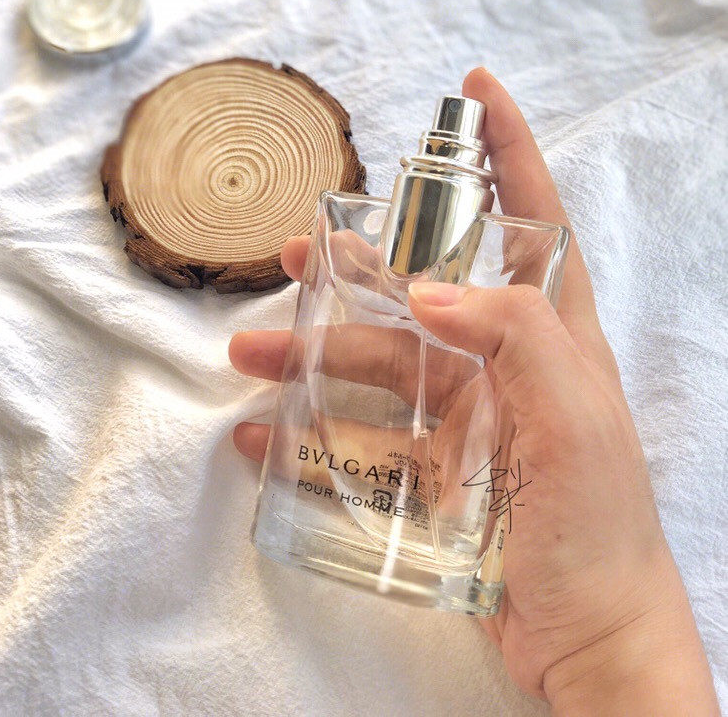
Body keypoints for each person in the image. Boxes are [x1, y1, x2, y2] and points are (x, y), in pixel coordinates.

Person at [230, 67, 720, 714]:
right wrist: (605, 640)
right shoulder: (340, 220)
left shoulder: (532, 266)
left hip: (468, 565)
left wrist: (603, 630)